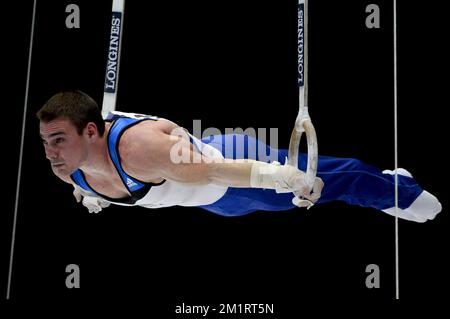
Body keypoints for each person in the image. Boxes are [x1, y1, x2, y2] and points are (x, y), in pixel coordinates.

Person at [37, 90, 442, 223]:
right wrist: (92, 191)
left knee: (321, 183)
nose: (50, 153)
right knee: (319, 176)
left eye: (57, 140)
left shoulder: (140, 151)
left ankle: (399, 193)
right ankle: (390, 182)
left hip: (229, 173)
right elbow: (87, 172)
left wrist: (277, 178)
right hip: (209, 194)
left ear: (90, 131)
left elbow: (214, 172)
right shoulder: (67, 168)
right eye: (45, 142)